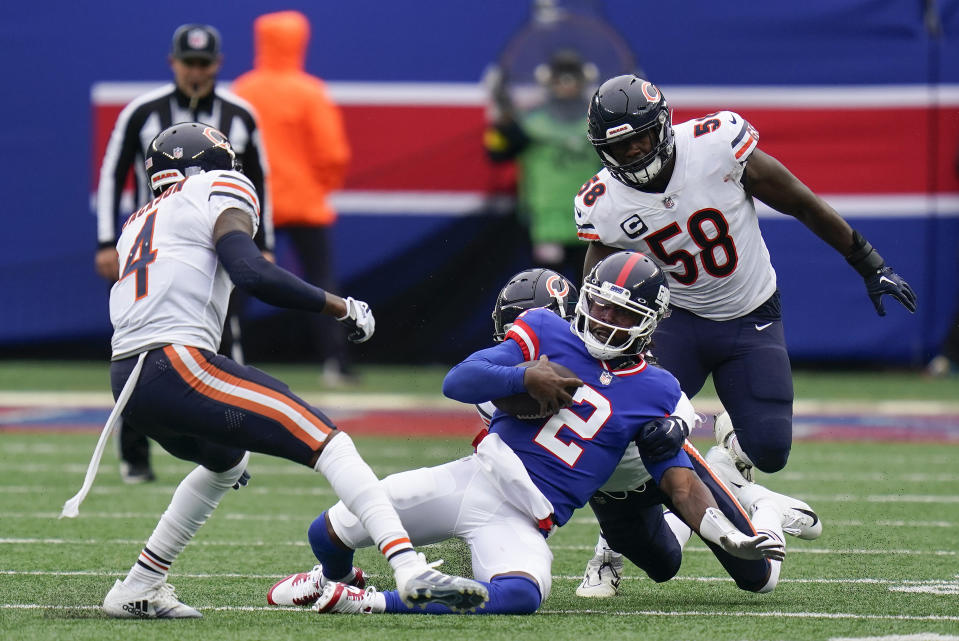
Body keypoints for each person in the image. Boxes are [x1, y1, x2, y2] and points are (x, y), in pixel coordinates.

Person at [88, 122, 487, 619]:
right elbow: (251, 272)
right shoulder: (217, 187)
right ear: (206, 167)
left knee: (225, 462)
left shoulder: (136, 225)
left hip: (127, 377)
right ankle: (409, 568)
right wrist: (340, 307)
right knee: (327, 439)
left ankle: (140, 585)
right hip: (176, 362)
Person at [265, 251, 785, 616]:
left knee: (520, 596)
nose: (603, 319)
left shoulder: (660, 389)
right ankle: (340, 579)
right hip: (474, 479)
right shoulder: (548, 330)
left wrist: (726, 535)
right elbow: (457, 380)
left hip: (527, 519)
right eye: (599, 304)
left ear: (648, 322)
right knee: (326, 532)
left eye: (620, 313)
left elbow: (679, 484)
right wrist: (524, 375)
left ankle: (369, 601)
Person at [575, 75, 917, 484]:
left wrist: (868, 261)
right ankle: (617, 534)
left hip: (751, 312)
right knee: (628, 430)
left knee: (770, 451)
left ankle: (730, 452)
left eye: (641, 138)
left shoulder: (716, 145)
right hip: (675, 320)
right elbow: (598, 288)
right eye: (619, 145)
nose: (633, 151)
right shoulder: (603, 202)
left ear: (662, 126)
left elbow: (801, 203)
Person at [485, 268, 820, 599]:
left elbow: (673, 401)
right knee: (664, 566)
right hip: (611, 493)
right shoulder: (499, 391)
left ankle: (761, 504)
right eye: (513, 330)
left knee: (760, 580)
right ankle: (621, 541)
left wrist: (676, 426)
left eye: (528, 328)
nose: (520, 340)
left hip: (665, 471)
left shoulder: (617, 360)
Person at [94, 23, 274, 483]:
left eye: (204, 63)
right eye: (188, 63)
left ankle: (229, 448)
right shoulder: (142, 111)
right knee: (138, 337)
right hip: (152, 245)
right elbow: (114, 174)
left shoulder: (240, 114)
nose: (196, 72)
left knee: (223, 331)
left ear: (217, 64)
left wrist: (263, 244)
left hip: (211, 242)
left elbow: (260, 180)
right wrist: (104, 240)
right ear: (173, 63)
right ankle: (135, 456)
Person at [232, 11, 355, 386]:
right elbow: (332, 153)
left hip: (254, 202)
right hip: (304, 201)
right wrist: (320, 186)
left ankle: (222, 356)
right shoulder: (310, 92)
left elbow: (226, 146)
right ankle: (336, 362)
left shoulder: (243, 90)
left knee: (237, 279)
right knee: (321, 282)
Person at [484, 50, 600, 281]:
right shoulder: (531, 123)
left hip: (591, 225)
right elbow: (496, 152)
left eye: (572, 77)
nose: (566, 85)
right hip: (545, 225)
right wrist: (500, 120)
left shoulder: (596, 123)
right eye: (560, 78)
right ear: (549, 82)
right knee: (546, 294)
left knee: (591, 295)